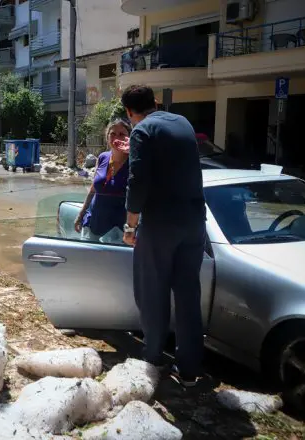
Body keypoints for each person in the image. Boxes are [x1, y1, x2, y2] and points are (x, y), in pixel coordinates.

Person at [121, 85, 206, 387]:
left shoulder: (141, 131)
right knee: (187, 295)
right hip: (195, 222)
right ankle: (189, 370)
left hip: (160, 225)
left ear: (131, 113)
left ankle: (154, 357)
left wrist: (130, 226)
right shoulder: (183, 123)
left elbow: (137, 182)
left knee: (152, 292)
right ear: (155, 103)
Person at [74, 120, 132, 243]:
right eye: (113, 134)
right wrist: (81, 215)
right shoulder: (102, 157)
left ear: (129, 138)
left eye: (122, 134)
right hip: (93, 222)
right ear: (107, 137)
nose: (117, 137)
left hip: (118, 230)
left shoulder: (135, 161)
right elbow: (93, 189)